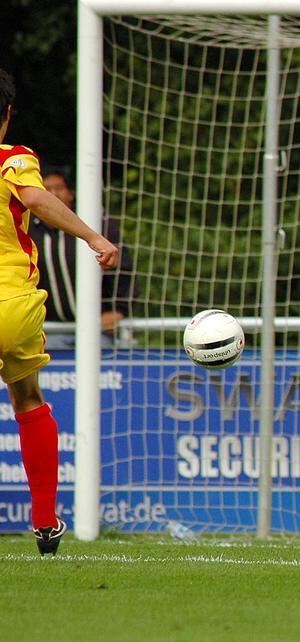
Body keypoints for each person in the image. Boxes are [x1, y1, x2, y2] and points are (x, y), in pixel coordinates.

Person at [0, 69, 119, 554]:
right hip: (13, 304)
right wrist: (93, 236)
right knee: (27, 399)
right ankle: (46, 522)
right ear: (7, 115)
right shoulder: (12, 158)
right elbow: (31, 196)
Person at [30, 169, 136, 349]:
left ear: (70, 193)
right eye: (46, 189)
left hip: (99, 329)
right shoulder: (27, 230)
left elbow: (123, 268)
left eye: (59, 188)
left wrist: (119, 309)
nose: (53, 194)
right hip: (50, 330)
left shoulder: (95, 224)